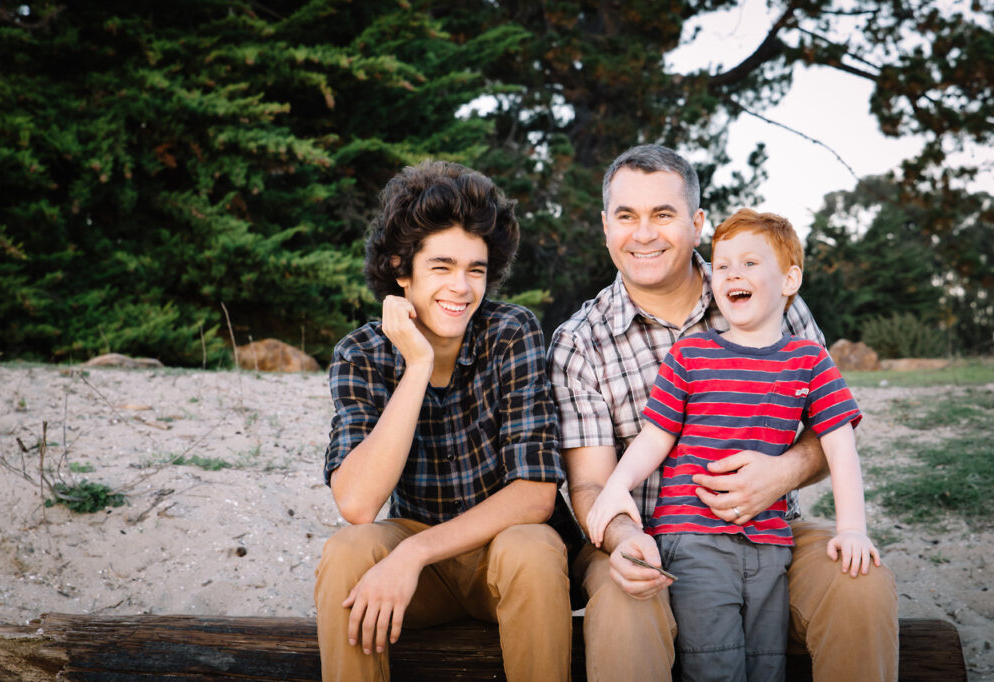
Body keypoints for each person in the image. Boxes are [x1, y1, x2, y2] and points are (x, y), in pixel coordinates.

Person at [548, 144, 898, 681]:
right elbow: (592, 487)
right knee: (624, 605)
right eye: (626, 217)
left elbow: (833, 431)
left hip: (771, 532)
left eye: (663, 215)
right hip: (646, 534)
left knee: (861, 584)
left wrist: (780, 473)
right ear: (605, 226)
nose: (643, 234)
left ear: (697, 222)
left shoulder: (760, 286)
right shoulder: (579, 342)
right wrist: (623, 537)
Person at [315, 160, 572, 682]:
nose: (461, 288)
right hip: (422, 579)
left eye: (475, 270)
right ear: (400, 270)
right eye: (442, 267)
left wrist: (413, 552)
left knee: (533, 544)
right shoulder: (361, 353)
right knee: (348, 551)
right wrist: (418, 366)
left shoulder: (511, 331)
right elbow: (358, 503)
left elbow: (535, 496)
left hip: (501, 561)